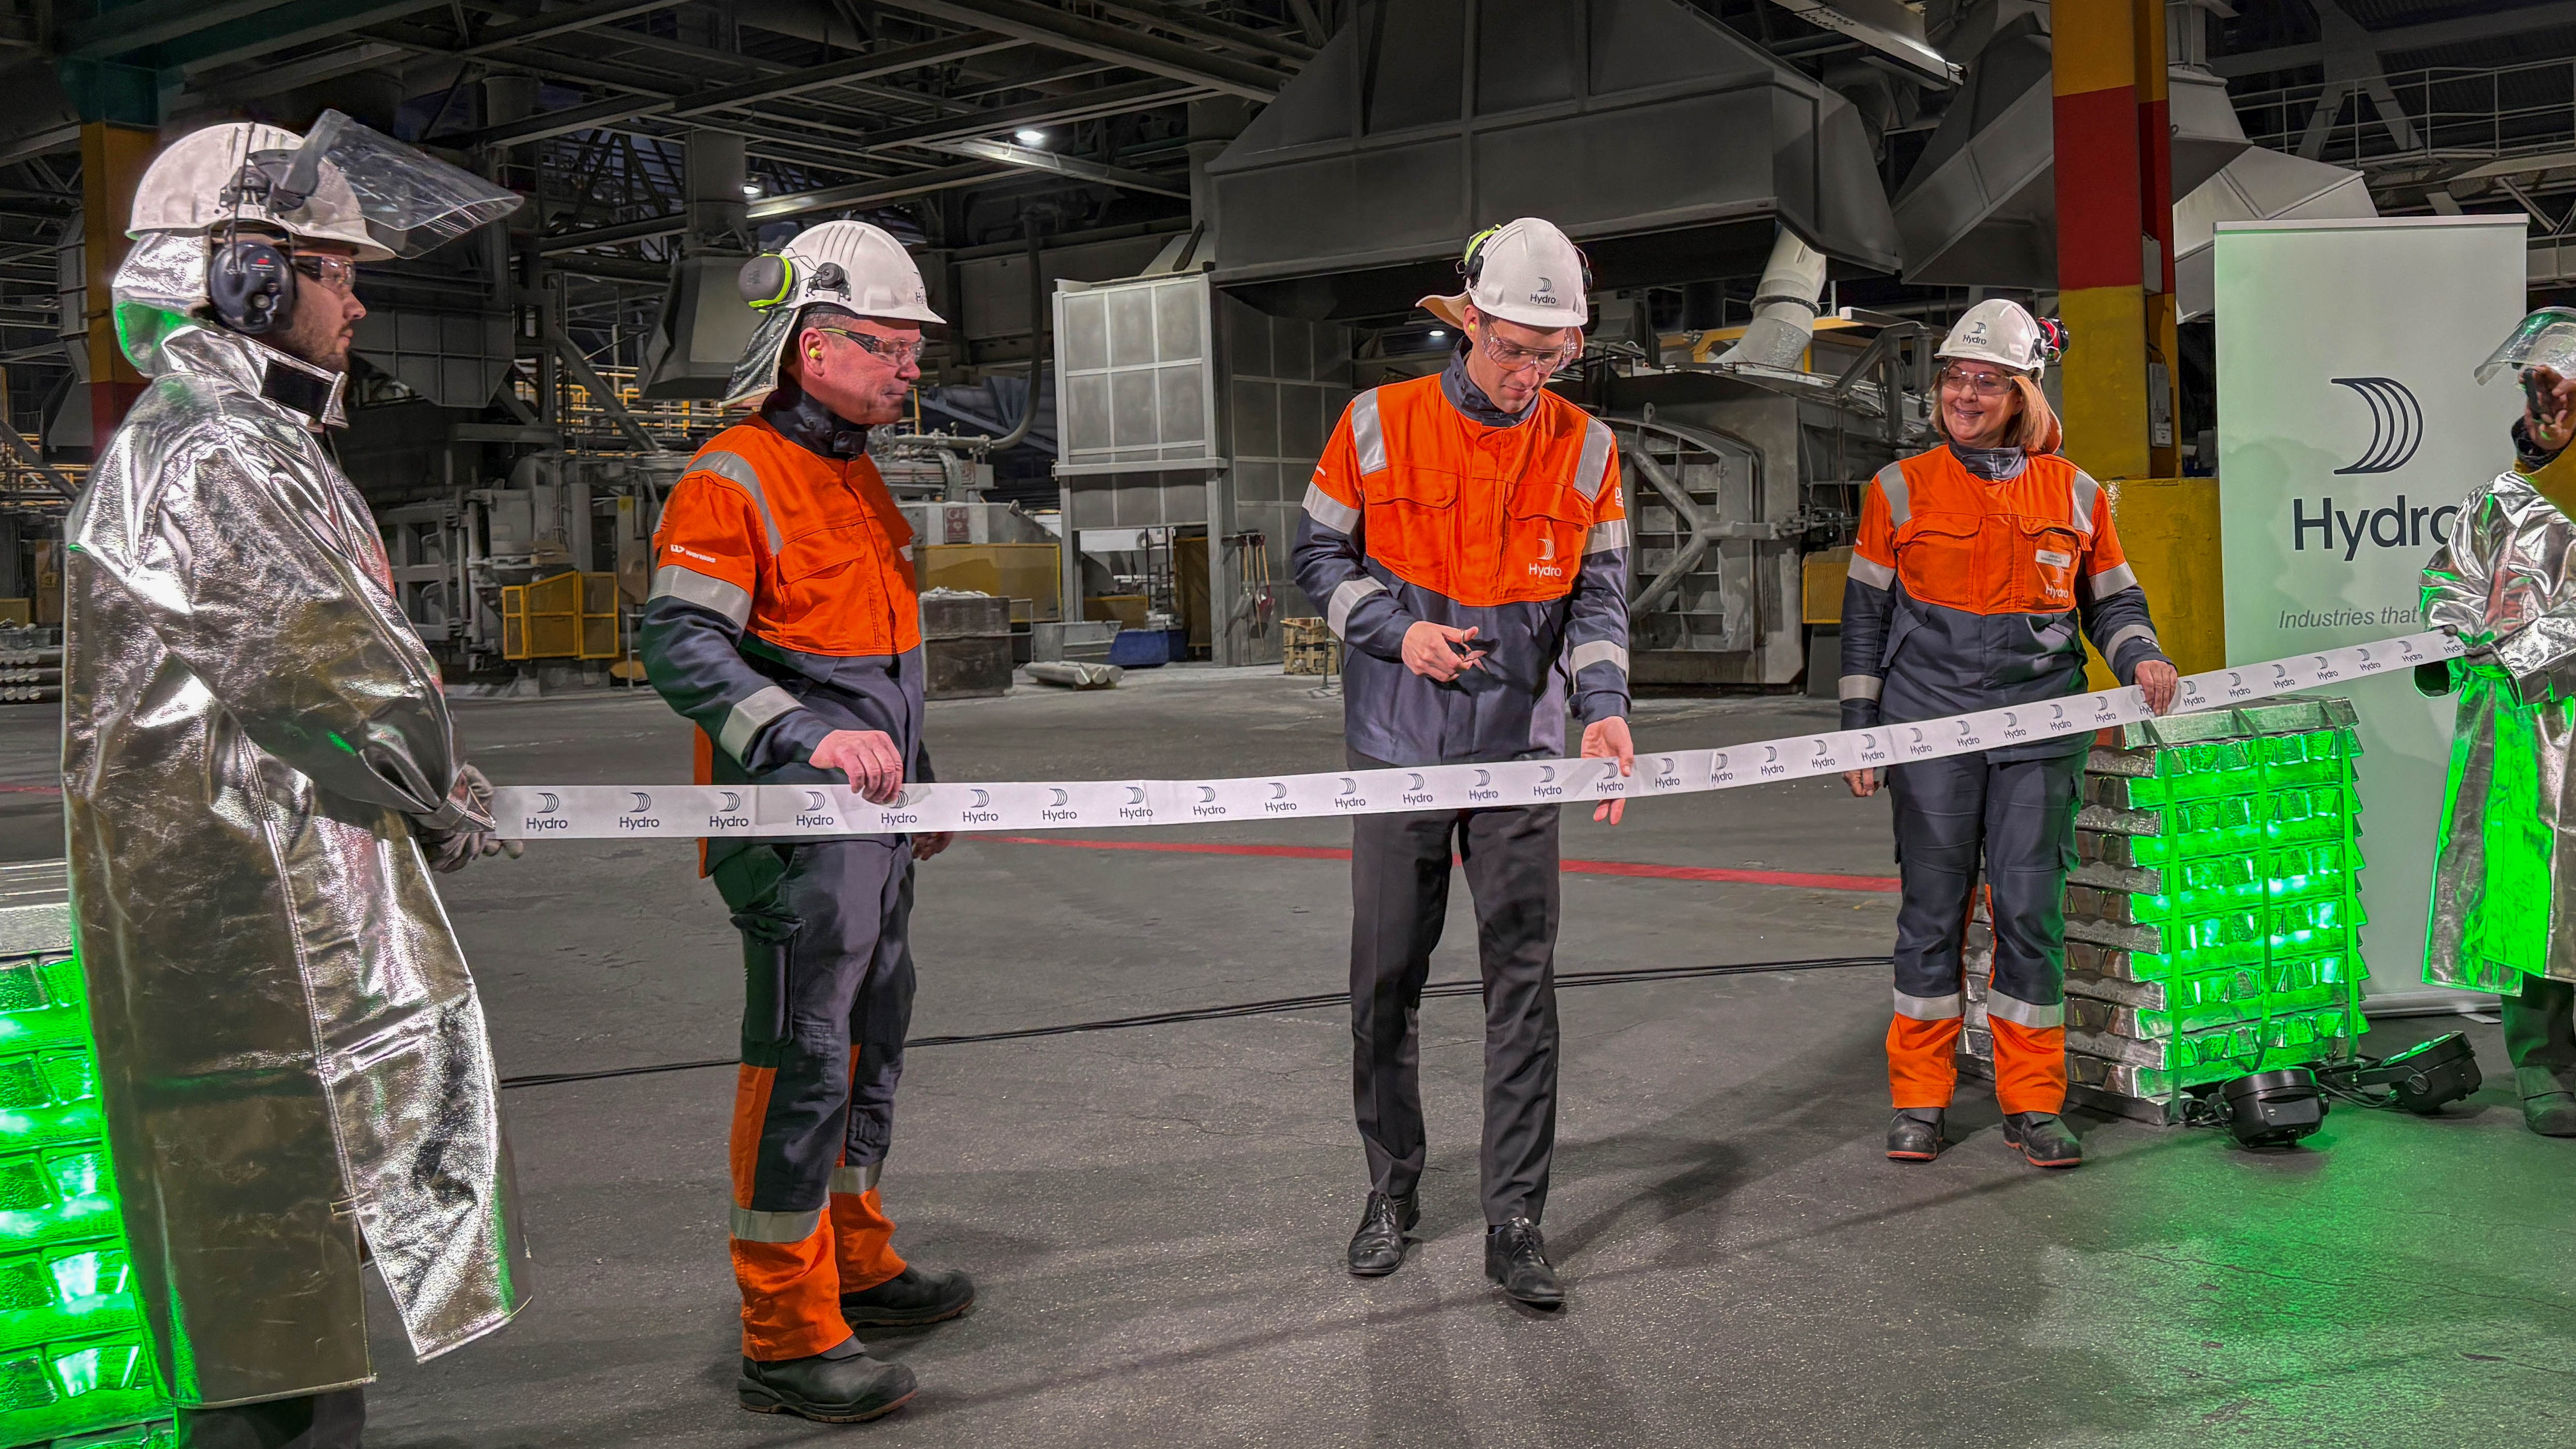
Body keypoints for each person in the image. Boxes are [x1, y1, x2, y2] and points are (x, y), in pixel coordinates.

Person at [62, 114, 529, 1446]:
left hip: (252, 907)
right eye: (336, 271)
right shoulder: (214, 451)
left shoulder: (240, 440)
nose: (359, 300)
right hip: (251, 930)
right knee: (267, 1294)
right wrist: (435, 787)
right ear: (246, 276)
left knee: (282, 1276)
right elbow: (336, 672)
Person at [638, 219, 972, 1425]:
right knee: (804, 1054)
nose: (908, 368)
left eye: (912, 349)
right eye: (888, 346)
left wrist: (917, 772)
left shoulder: (855, 476)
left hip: (872, 826)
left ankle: (857, 1257)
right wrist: (805, 738)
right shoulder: (731, 475)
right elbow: (681, 645)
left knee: (874, 1030)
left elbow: (880, 658)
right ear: (812, 346)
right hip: (791, 832)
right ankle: (784, 1331)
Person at [1291, 217, 1633, 1308]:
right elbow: (1315, 556)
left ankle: (1517, 1217)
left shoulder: (1589, 447)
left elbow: (1600, 598)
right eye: (1512, 350)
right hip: (1398, 749)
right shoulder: (1375, 422)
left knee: (1522, 986)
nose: (1529, 374)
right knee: (1386, 978)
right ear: (1470, 323)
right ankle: (1391, 1190)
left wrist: (1604, 709)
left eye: (1550, 355)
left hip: (1521, 756)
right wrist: (1398, 634)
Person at [1836, 298, 2179, 1170]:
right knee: (1932, 911)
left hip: (2040, 732)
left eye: (1987, 382)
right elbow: (1865, 616)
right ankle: (1920, 1096)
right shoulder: (1897, 488)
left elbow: (2114, 603)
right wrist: (1859, 730)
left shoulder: (2076, 492)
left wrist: (2142, 655)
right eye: (1955, 378)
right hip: (1929, 728)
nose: (1965, 395)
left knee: (2030, 912)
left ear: (2024, 394)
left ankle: (2033, 1101)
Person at [2420, 306, 2576, 1138]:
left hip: (2551, 704)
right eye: (2534, 393)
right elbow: (2450, 583)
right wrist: (2442, 642)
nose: (2543, 410)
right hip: (2526, 740)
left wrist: (2523, 649)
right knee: (2531, 893)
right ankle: (2544, 1064)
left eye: (2559, 393)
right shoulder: (2499, 502)